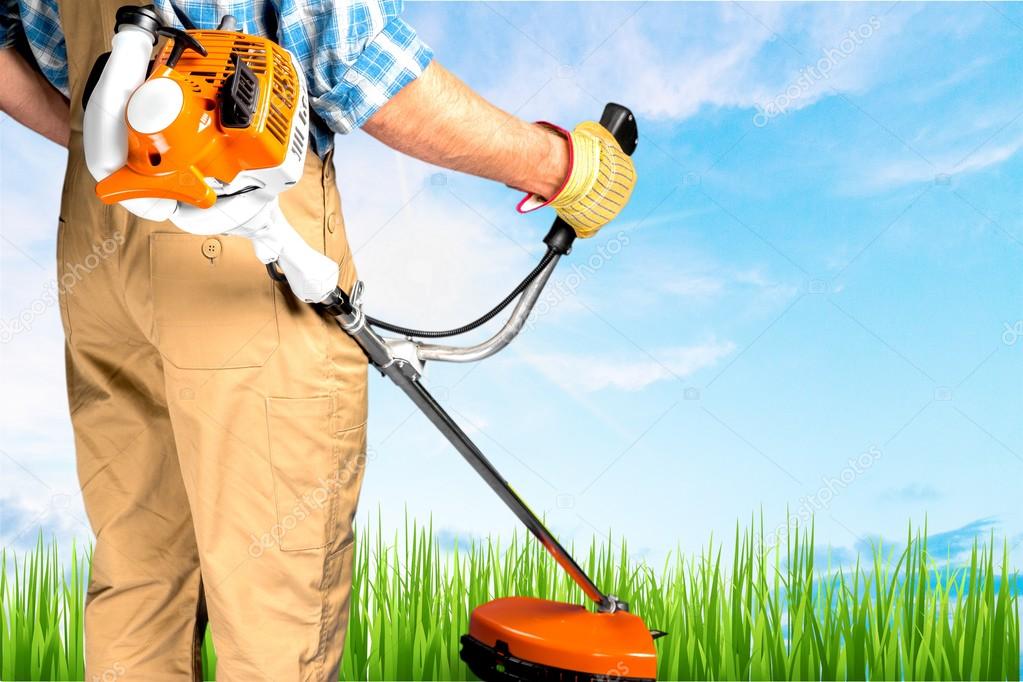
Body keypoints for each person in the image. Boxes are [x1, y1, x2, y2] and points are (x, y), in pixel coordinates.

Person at [0, 1, 636, 679]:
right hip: (237, 236)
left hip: (99, 241)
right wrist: (563, 167)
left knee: (140, 580)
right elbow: (365, 69)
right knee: (274, 610)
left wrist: (111, 149)